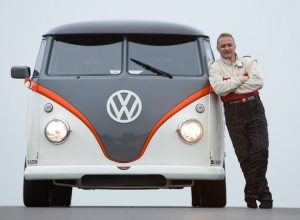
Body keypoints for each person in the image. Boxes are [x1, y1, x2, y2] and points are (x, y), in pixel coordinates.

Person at [208, 33, 273, 209]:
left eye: (229, 45)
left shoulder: (248, 61)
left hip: (254, 108)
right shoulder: (214, 67)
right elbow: (220, 89)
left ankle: (251, 192)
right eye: (223, 46)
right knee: (244, 156)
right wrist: (243, 78)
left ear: (235, 45)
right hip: (233, 111)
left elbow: (258, 82)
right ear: (218, 49)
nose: (227, 48)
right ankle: (264, 195)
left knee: (261, 150)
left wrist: (232, 85)